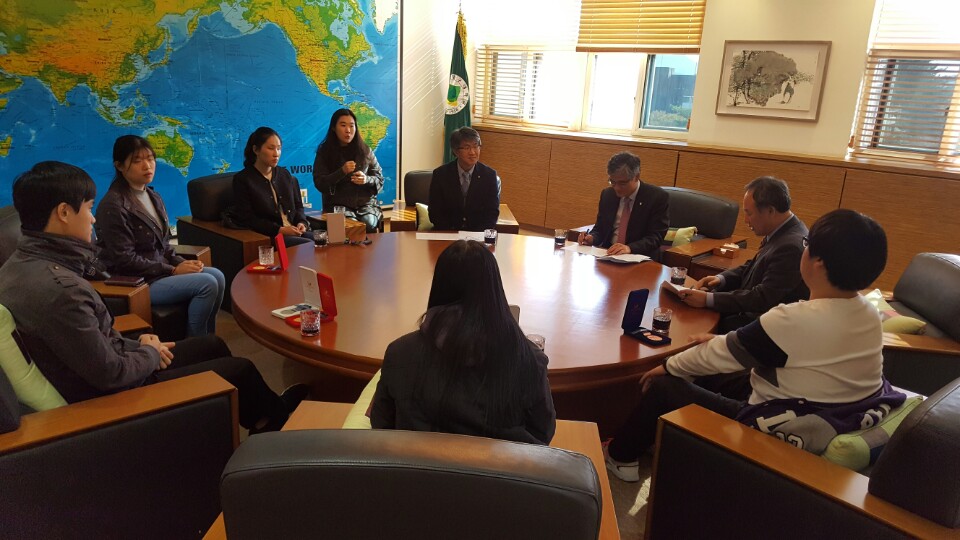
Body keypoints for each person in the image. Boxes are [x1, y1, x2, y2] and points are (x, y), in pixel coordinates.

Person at [0, 161, 308, 432]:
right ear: (64, 213)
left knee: (212, 344)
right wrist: (147, 352)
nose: (92, 219)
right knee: (240, 369)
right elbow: (110, 374)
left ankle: (257, 417)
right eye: (89, 208)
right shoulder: (61, 290)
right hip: (120, 396)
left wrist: (139, 344)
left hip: (114, 362)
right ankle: (278, 421)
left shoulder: (18, 265)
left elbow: (90, 344)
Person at [604, 209, 906, 482]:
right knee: (711, 372)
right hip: (834, 407)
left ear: (818, 262)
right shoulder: (868, 312)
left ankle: (620, 456)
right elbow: (768, 351)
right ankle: (660, 433)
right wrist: (725, 343)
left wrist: (667, 365)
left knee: (666, 385)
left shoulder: (794, 319)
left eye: (807, 244)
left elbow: (717, 356)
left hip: (783, 426)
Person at [370, 240, 556, 444]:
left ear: (438, 286)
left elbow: (381, 424)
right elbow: (543, 434)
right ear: (494, 289)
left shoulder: (400, 353)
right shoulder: (528, 358)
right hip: (502, 466)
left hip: (417, 464)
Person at [95, 135, 225, 337]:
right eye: (137, 161)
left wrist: (181, 263)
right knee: (207, 283)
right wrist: (173, 270)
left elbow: (163, 244)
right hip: (139, 282)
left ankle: (209, 337)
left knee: (217, 275)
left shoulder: (152, 195)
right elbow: (124, 259)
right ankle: (195, 341)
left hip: (159, 271)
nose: (147, 166)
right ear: (119, 166)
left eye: (150, 159)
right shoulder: (113, 205)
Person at [678, 176, 809, 333]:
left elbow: (762, 298)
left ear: (770, 211)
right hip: (750, 313)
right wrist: (721, 279)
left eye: (749, 213)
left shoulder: (791, 246)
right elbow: (753, 266)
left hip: (761, 327)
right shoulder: (784, 231)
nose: (746, 220)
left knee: (693, 324)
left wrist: (708, 300)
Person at [577, 151, 668, 258]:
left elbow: (656, 237)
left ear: (636, 177)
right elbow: (600, 228)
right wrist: (591, 238)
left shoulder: (656, 197)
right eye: (612, 182)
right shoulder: (608, 194)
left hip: (640, 257)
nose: (617, 188)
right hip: (608, 254)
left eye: (622, 183)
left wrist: (630, 248)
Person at [233, 127, 312, 246]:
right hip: (270, 236)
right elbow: (247, 218)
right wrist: (279, 230)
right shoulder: (243, 179)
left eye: (279, 149)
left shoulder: (284, 174)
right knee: (309, 245)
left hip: (294, 230)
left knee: (326, 239)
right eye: (271, 148)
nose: (276, 154)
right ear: (256, 150)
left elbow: (298, 206)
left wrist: (302, 222)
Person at [312, 108, 384, 233]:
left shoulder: (365, 150)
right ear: (334, 128)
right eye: (343, 125)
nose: (348, 130)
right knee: (352, 227)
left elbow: (379, 179)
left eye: (352, 125)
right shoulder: (325, 152)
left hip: (366, 205)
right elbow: (319, 182)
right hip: (338, 205)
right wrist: (341, 172)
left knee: (368, 223)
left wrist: (366, 179)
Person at [428, 127, 500, 232]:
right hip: (447, 232)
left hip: (477, 234)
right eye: (467, 147)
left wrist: (476, 235)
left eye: (476, 146)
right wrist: (451, 233)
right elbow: (435, 212)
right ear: (455, 151)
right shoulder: (440, 175)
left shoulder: (489, 175)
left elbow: (492, 213)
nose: (472, 152)